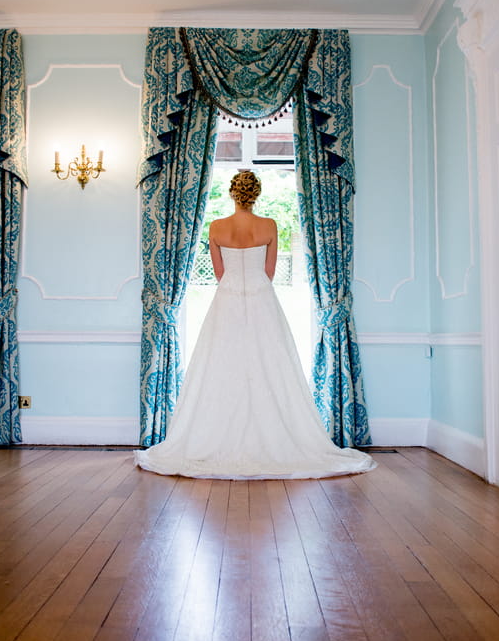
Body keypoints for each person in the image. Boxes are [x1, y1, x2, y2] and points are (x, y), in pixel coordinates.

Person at [134, 170, 376, 479]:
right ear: (256, 194)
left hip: (227, 301)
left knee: (222, 368)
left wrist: (236, 288)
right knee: (269, 367)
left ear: (233, 194)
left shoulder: (217, 227)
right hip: (263, 299)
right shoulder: (269, 226)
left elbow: (220, 274)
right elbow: (270, 271)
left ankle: (221, 439)